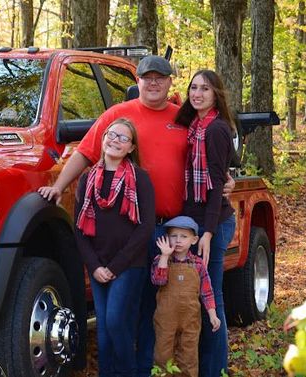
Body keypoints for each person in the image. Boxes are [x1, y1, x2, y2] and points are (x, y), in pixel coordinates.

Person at [38, 56, 233, 376]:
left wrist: (227, 179)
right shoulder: (117, 116)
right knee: (128, 310)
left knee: (169, 306)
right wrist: (59, 186)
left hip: (172, 230)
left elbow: (211, 152)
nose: (153, 83)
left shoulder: (182, 117)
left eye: (160, 77)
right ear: (137, 81)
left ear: (171, 83)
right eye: (147, 77)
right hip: (130, 232)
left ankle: (165, 369)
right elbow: (86, 153)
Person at [74, 118, 155, 377]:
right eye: (112, 135)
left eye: (123, 138)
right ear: (103, 138)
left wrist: (116, 266)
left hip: (129, 264)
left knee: (115, 320)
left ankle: (128, 371)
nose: (115, 141)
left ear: (131, 147)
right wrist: (96, 266)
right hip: (98, 264)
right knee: (105, 331)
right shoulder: (87, 179)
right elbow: (79, 228)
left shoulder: (140, 178)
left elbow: (146, 227)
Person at [174, 70, 237, 377]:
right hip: (195, 221)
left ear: (216, 95)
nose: (197, 93)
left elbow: (214, 186)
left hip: (214, 223)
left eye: (205, 89)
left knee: (211, 300)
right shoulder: (194, 125)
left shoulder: (215, 130)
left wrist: (208, 234)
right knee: (198, 300)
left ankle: (216, 371)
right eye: (193, 87)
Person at [151, 216, 220, 377]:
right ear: (167, 238)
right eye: (174, 236)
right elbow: (158, 280)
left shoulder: (198, 264)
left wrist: (212, 314)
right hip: (165, 319)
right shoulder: (161, 260)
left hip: (190, 320)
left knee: (188, 356)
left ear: (194, 240)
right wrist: (164, 256)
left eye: (184, 236)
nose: (178, 241)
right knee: (162, 353)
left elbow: (207, 291)